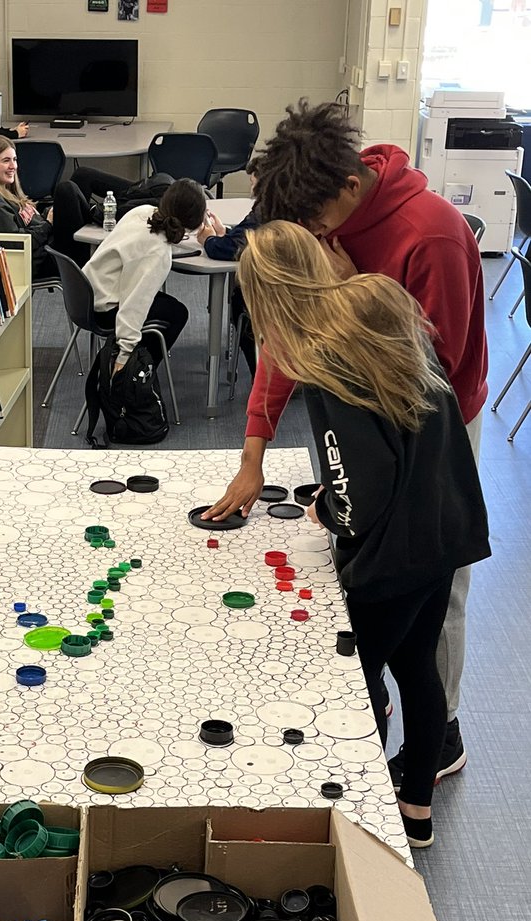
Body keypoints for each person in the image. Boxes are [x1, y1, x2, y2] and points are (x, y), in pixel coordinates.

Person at [204, 99, 488, 786]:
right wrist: (254, 453)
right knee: (371, 571)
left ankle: (437, 737)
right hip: (367, 430)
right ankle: (381, 709)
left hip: (435, 425)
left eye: (314, 225)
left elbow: (429, 389)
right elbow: (289, 336)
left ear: (350, 190)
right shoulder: (320, 227)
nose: (308, 236)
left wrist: (345, 291)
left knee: (432, 587)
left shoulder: (432, 237)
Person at [236, 221, 490, 848]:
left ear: (267, 297)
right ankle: (416, 810)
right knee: (418, 667)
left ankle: (358, 813)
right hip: (446, 522)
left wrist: (330, 513)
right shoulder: (378, 300)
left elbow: (356, 483)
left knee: (355, 678)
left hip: (393, 554)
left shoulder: (322, 359)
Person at [83, 177, 207, 372]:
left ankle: (138, 364)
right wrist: (124, 356)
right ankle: (139, 371)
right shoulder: (157, 252)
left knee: (168, 307)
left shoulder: (142, 212)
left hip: (87, 292)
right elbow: (134, 304)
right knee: (177, 314)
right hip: (105, 308)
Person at [0, 136, 93, 277]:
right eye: (6, 161)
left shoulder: (9, 193)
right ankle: (103, 215)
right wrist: (48, 224)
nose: (13, 166)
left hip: (50, 245)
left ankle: (108, 212)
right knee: (66, 190)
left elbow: (31, 222)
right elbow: (18, 244)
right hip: (46, 258)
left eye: (15, 159)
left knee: (82, 176)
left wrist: (48, 215)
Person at [198, 201, 261, 379]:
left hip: (274, 299)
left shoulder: (268, 204)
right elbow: (247, 236)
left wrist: (209, 240)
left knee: (240, 301)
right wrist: (226, 233)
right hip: (306, 290)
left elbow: (231, 249)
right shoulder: (299, 199)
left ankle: (265, 376)